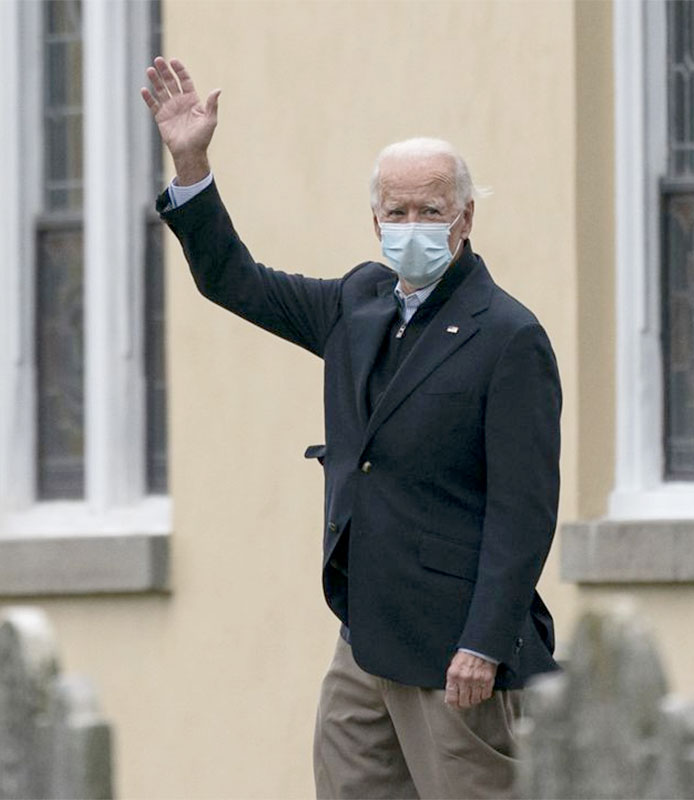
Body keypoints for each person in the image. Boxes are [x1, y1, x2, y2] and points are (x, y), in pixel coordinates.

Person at [141, 57, 561, 799]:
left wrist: (483, 644)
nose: (411, 228)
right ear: (375, 221)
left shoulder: (508, 335)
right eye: (395, 213)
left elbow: (524, 509)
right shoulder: (357, 303)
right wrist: (193, 163)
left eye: (430, 211)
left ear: (464, 219)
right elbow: (232, 280)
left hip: (459, 651)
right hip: (365, 634)